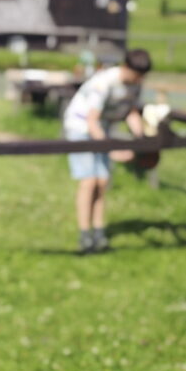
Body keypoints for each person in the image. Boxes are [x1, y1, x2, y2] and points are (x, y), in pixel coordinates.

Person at [62, 49, 152, 253]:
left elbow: (131, 112)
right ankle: (85, 233)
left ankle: (99, 231)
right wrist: (113, 152)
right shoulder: (103, 83)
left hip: (102, 130)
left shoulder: (135, 85)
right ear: (126, 67)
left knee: (102, 182)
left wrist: (141, 140)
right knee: (89, 181)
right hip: (81, 128)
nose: (139, 80)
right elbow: (91, 120)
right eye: (137, 75)